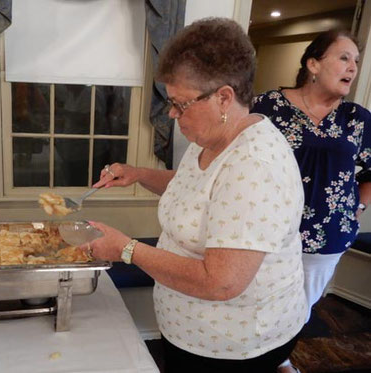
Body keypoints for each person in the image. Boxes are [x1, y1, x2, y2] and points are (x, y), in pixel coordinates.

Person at [86, 18, 307, 372]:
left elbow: (221, 283)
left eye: (181, 104)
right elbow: (195, 187)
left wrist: (125, 248)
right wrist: (139, 175)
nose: (173, 114)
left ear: (223, 97)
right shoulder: (212, 137)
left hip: (233, 346)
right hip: (191, 331)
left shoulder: (254, 166)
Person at [251, 30, 371, 327]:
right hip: (269, 231)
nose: (353, 67)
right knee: (257, 302)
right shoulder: (267, 107)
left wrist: (358, 210)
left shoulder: (357, 118)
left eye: (355, 60)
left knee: (300, 308)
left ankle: (281, 359)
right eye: (344, 57)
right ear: (313, 65)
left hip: (328, 235)